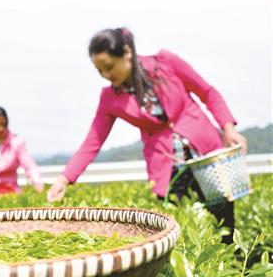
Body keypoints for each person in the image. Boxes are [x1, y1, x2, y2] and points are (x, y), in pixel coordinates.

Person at [47, 28, 246, 243]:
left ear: (126, 52)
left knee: (225, 227)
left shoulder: (166, 63)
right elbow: (92, 143)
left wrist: (228, 128)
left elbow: (207, 92)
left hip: (207, 156)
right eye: (99, 71)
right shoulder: (110, 99)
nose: (106, 75)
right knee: (178, 235)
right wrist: (64, 179)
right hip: (168, 169)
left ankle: (234, 272)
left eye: (109, 67)